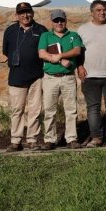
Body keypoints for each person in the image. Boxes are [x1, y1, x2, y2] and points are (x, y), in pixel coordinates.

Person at [2, 2, 47, 152]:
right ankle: (16, 141)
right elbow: (6, 51)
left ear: (32, 13)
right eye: (22, 13)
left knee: (35, 110)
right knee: (17, 110)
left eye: (28, 12)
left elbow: (47, 50)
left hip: (37, 76)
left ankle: (32, 140)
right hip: (16, 77)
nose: (25, 15)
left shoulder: (41, 30)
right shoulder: (10, 31)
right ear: (17, 15)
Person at [77, 0, 106, 148]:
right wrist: (79, 67)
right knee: (93, 108)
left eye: (105, 10)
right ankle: (96, 138)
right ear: (92, 13)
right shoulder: (83, 30)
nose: (102, 12)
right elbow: (78, 52)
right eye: (99, 10)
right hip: (90, 76)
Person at [38, 9, 83, 150]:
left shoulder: (73, 35)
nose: (59, 23)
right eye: (56, 20)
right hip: (50, 78)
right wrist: (59, 60)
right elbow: (41, 53)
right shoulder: (46, 35)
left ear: (65, 21)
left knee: (71, 110)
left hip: (68, 77)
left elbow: (77, 50)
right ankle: (49, 139)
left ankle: (71, 138)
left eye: (61, 20)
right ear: (52, 22)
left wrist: (61, 55)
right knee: (49, 110)